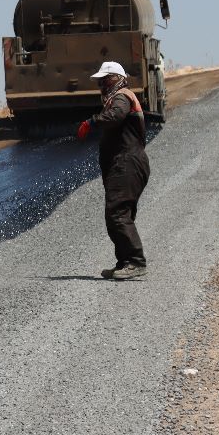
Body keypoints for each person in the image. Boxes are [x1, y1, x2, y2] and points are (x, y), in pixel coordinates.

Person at [75, 61, 150, 280]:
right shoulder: (115, 97)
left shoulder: (122, 97)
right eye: (100, 81)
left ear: (116, 79)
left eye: (105, 80)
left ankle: (136, 262)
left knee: (117, 212)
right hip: (123, 164)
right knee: (118, 214)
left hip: (127, 163)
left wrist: (91, 122)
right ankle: (124, 262)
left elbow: (116, 116)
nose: (101, 84)